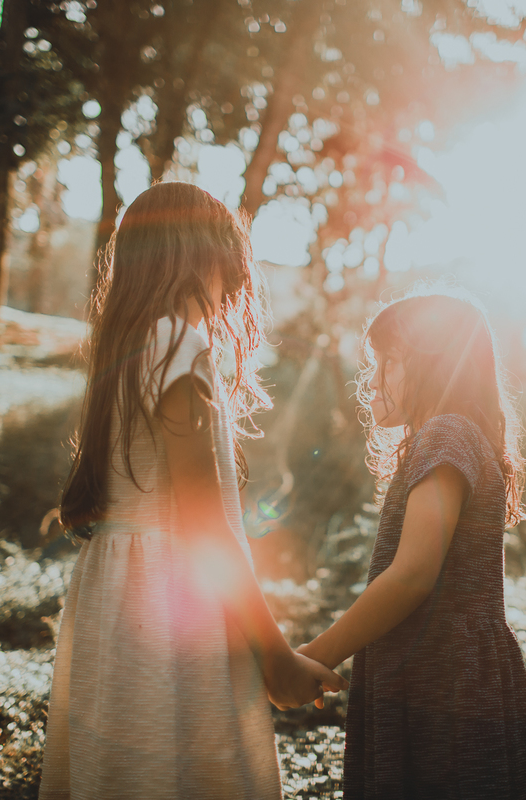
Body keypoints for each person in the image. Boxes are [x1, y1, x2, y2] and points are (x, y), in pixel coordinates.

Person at [39, 182, 346, 800]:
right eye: (228, 261)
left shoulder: (130, 349)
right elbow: (206, 528)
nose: (233, 283)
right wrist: (275, 656)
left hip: (112, 597)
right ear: (200, 257)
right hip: (173, 601)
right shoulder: (180, 343)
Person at [296, 287, 526, 799]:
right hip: (443, 675)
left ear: (436, 364)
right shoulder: (455, 436)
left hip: (442, 684)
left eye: (389, 360)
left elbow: (411, 575)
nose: (373, 379)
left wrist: (316, 656)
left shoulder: (447, 434)